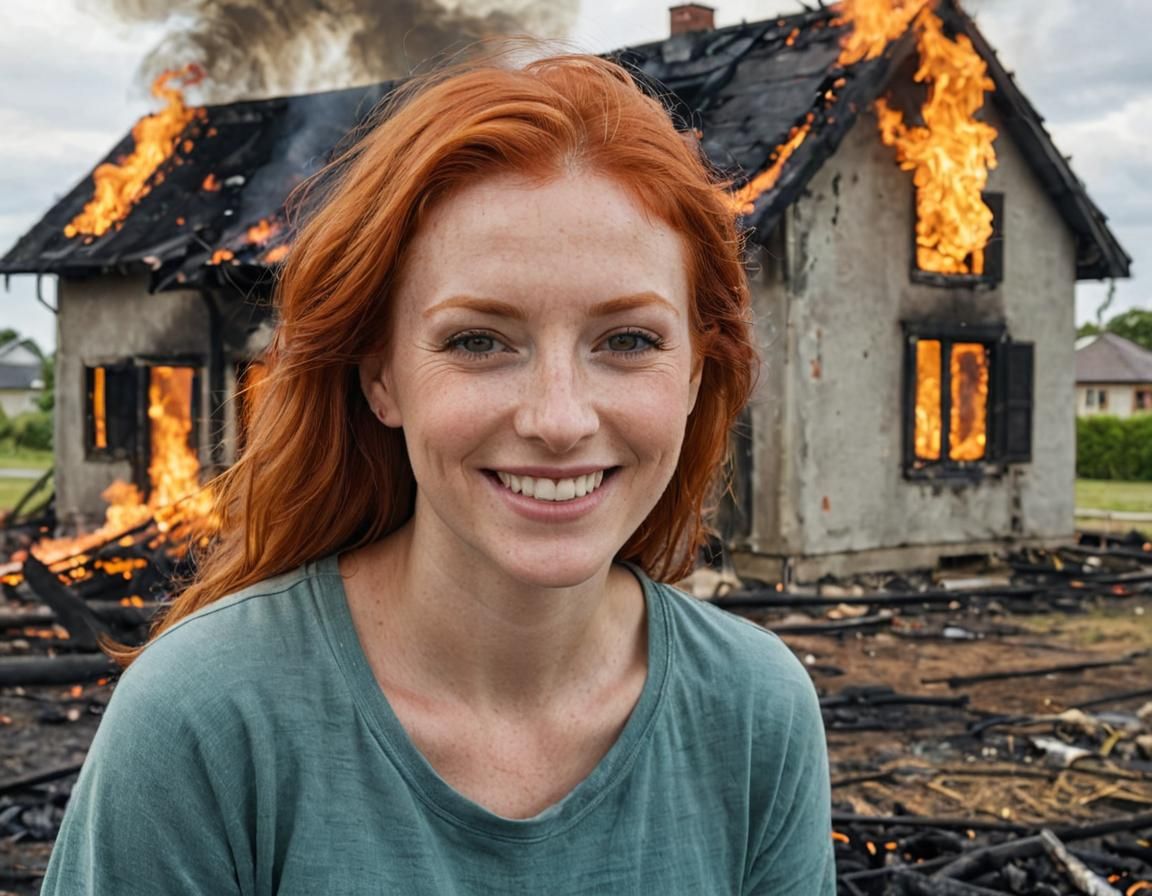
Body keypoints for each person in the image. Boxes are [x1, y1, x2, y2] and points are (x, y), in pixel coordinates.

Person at [41, 53, 835, 894]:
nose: (558, 419)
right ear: (381, 377)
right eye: (478, 341)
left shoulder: (756, 714)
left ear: (697, 376)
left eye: (629, 340)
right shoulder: (201, 719)